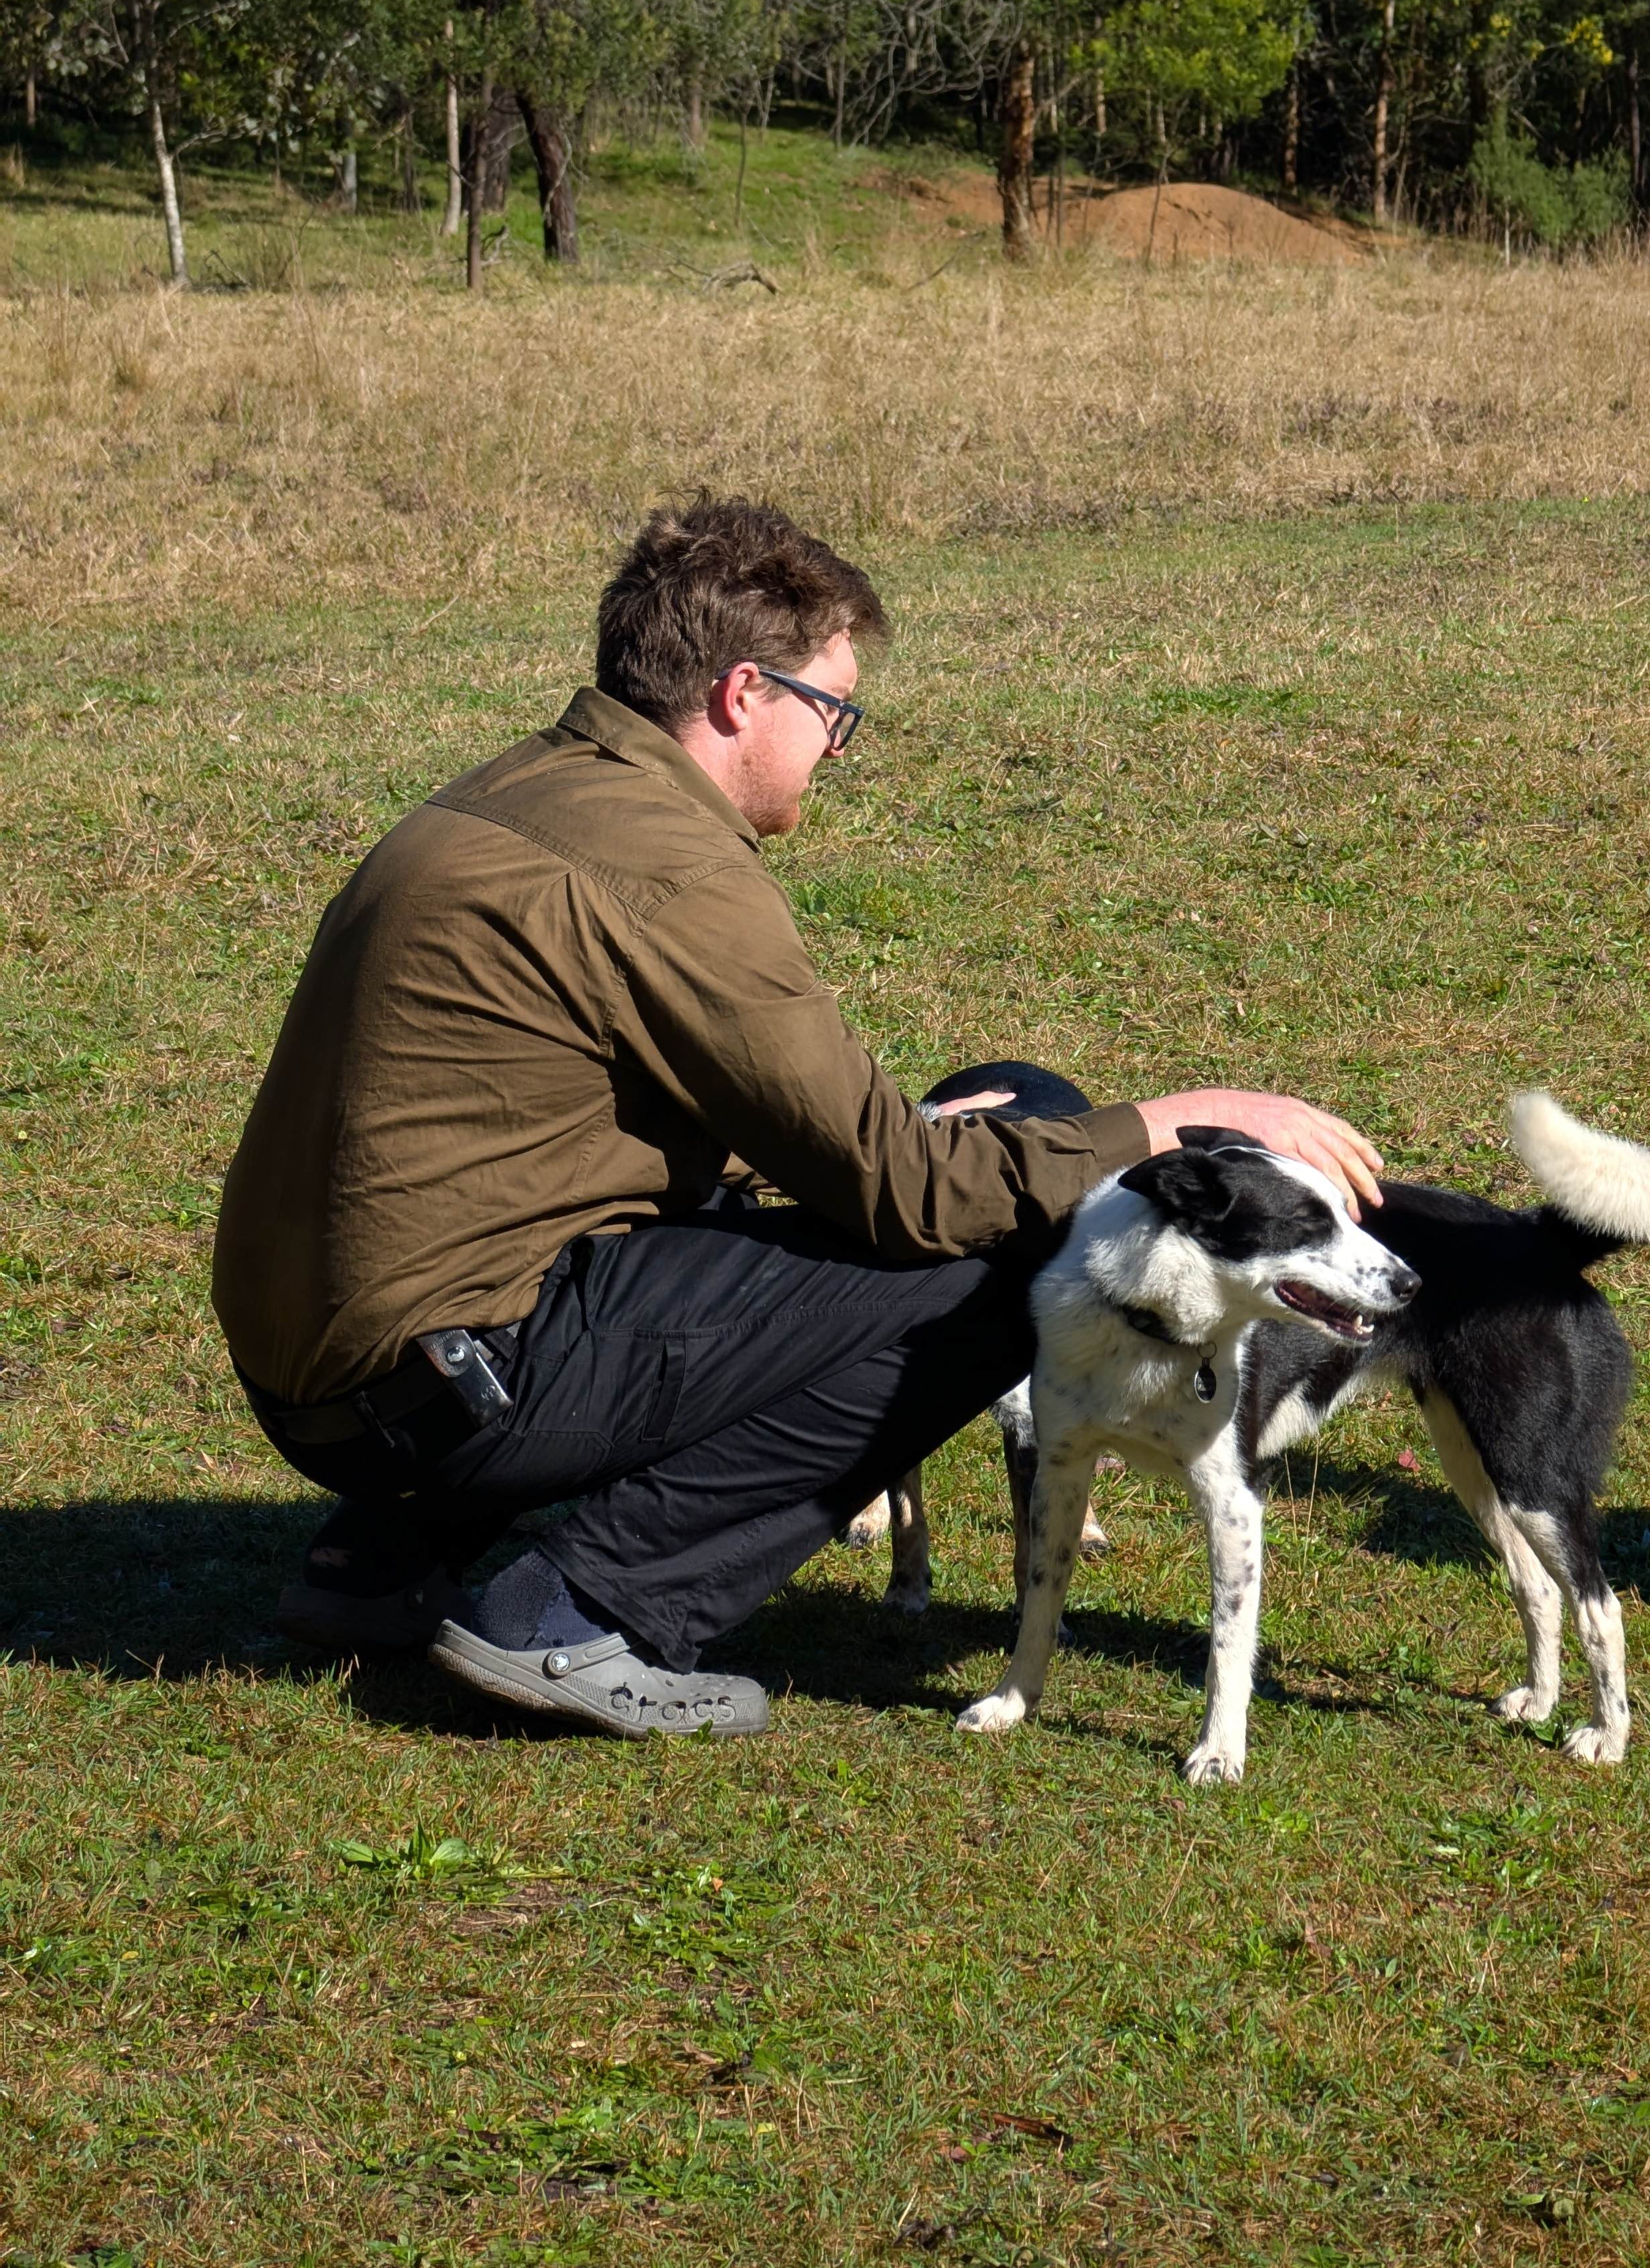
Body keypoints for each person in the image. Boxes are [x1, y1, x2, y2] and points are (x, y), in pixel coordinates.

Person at [212, 494, 1385, 1739]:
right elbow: (910, 1198)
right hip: (454, 1380)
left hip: (331, 1381)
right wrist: (1164, 1120)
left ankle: (380, 1560)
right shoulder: (670, 866)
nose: (839, 746)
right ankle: (577, 1609)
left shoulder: (514, 791)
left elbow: (592, 1132)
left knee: (814, 1217)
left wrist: (943, 1146)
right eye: (833, 711)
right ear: (740, 694)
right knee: (1020, 1262)